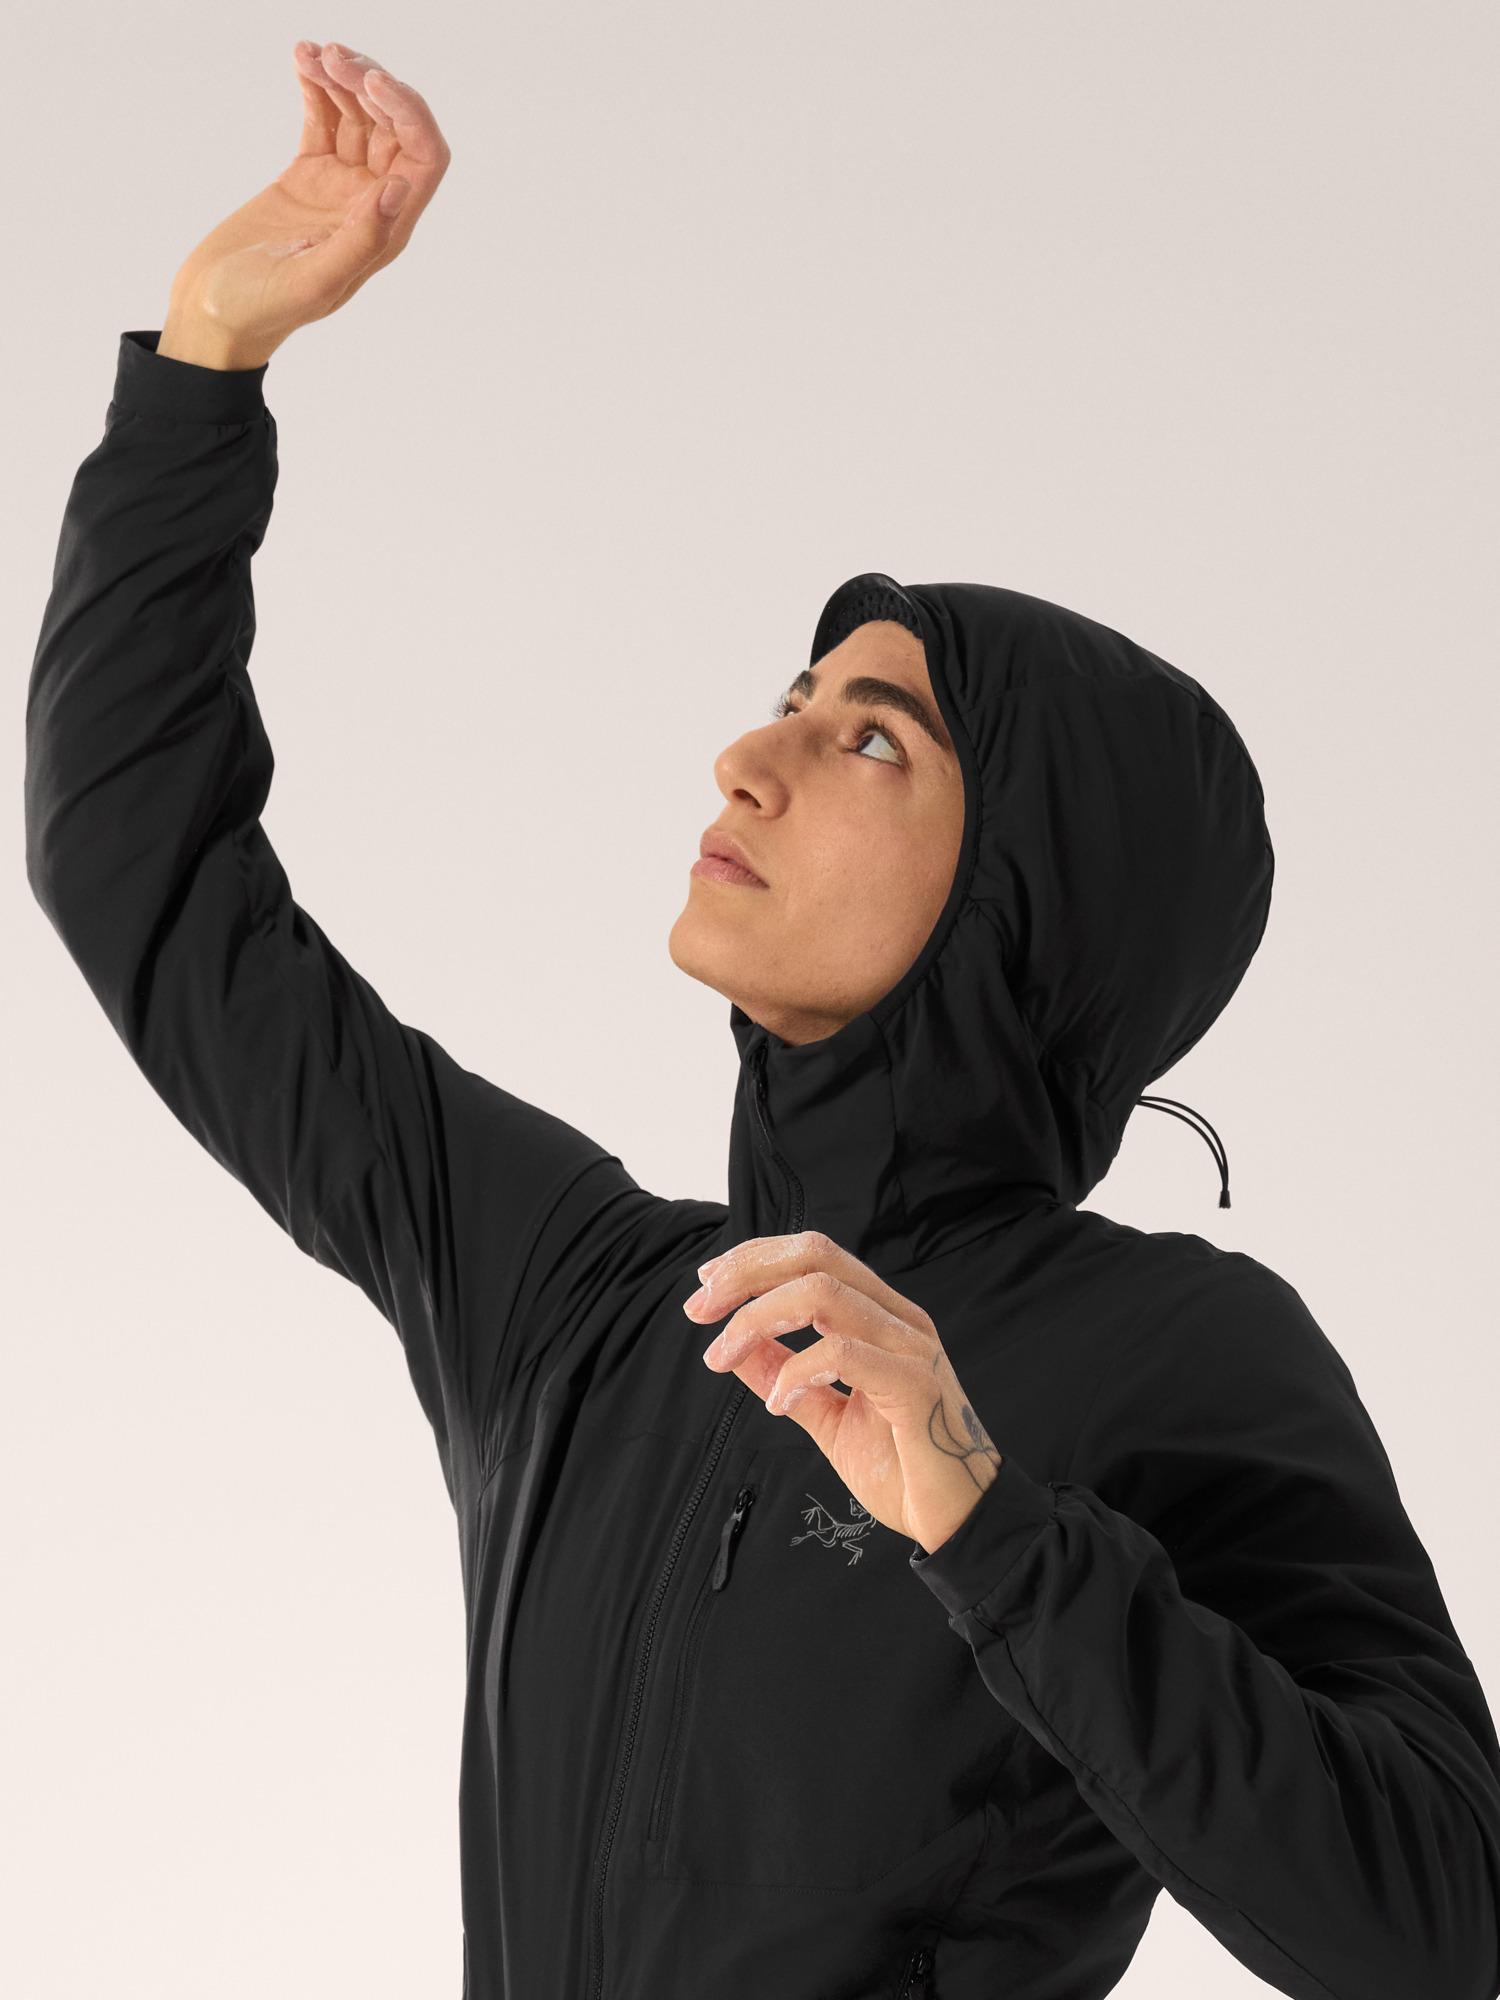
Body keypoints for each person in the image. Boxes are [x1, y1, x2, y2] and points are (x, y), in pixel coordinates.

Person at [24, 38, 1500, 2000]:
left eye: (868, 736)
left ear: (1029, 889)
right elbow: (145, 875)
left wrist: (985, 1517)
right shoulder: (575, 1294)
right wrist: (209, 360)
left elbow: (1441, 1921)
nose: (749, 755)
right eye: (791, 697)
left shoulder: (1175, 1352)